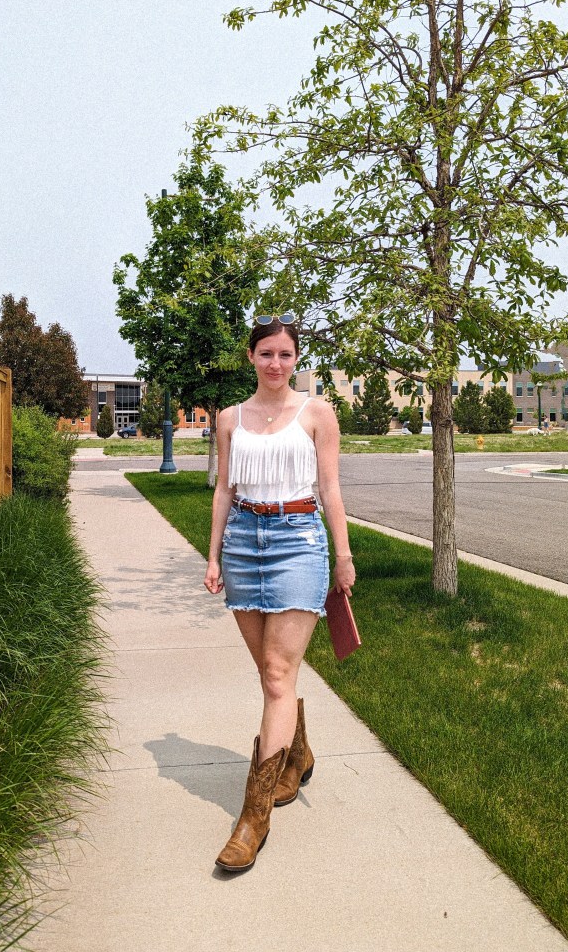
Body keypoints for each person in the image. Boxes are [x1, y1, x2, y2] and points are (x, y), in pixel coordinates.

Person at [204, 314, 356, 872]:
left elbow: (331, 488)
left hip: (298, 542)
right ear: (251, 357)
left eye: (285, 355)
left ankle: (253, 816)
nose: (275, 363)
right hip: (244, 541)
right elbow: (223, 489)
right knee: (273, 673)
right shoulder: (229, 419)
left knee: (275, 674)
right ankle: (298, 753)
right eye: (265, 353)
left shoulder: (317, 413)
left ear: (296, 360)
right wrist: (214, 554)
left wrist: (342, 556)